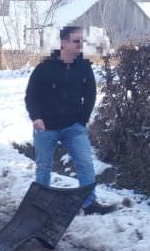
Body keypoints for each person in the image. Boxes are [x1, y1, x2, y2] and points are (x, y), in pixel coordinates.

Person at [24, 26, 115, 215]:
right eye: (76, 41)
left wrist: (82, 120)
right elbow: (31, 96)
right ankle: (40, 207)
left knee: (86, 165)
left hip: (73, 127)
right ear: (63, 43)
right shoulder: (44, 68)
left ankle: (89, 204)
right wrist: (36, 117)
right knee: (43, 168)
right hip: (46, 127)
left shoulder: (84, 67)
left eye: (82, 41)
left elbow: (90, 95)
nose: (80, 44)